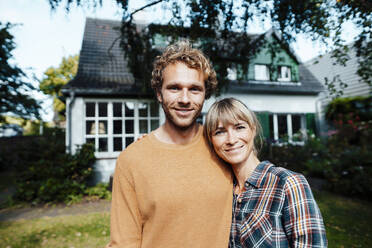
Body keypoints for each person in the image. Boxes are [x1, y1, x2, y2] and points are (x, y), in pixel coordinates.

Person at [106, 41, 233, 248]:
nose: (184, 99)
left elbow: (258, 186)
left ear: (205, 94)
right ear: (159, 93)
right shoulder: (132, 160)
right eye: (174, 88)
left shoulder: (222, 146)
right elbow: (123, 243)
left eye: (194, 89)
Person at [204, 98, 328, 248]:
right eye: (220, 132)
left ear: (253, 129)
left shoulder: (287, 183)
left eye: (239, 127)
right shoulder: (223, 191)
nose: (231, 139)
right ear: (211, 140)